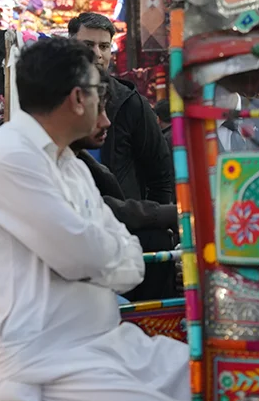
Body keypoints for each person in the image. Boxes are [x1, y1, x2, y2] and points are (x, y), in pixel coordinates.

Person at [0, 37, 190, 401]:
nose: (105, 106)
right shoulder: (10, 158)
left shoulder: (71, 164)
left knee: (211, 384)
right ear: (77, 98)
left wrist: (105, 256)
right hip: (43, 363)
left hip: (106, 344)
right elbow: (82, 256)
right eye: (99, 93)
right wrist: (107, 255)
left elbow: (123, 258)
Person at [71, 103, 179, 302]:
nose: (106, 121)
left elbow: (160, 178)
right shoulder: (48, 165)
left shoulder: (79, 165)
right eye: (96, 111)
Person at [68, 12, 173, 204]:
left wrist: (155, 226)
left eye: (104, 46)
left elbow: (161, 176)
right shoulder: (58, 100)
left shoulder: (131, 103)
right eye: (88, 45)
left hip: (123, 224)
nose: (97, 54)